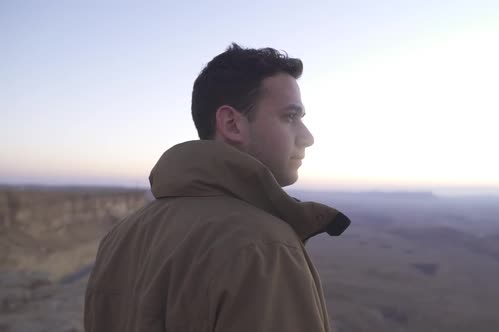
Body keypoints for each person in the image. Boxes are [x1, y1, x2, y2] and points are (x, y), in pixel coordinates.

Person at [84, 43, 351, 332]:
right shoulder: (264, 248)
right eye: (289, 117)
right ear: (232, 124)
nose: (307, 137)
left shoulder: (123, 235)